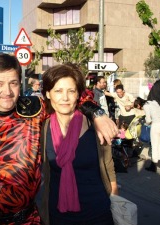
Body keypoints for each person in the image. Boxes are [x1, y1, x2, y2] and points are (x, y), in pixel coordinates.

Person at [0, 53, 118, 225]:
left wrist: (97, 114)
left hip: (29, 219)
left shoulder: (34, 110)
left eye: (13, 83)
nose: (8, 91)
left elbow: (70, 94)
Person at [38, 63, 118, 225]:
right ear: (48, 94)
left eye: (71, 91)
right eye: (58, 91)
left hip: (98, 213)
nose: (65, 98)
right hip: (58, 214)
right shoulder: (41, 128)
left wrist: (116, 202)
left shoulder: (95, 125)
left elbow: (108, 166)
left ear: (78, 94)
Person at [134, 97, 160, 172]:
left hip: (156, 126)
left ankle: (153, 165)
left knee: (154, 145)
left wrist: (144, 122)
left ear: (139, 105)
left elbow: (148, 120)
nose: (140, 109)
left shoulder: (145, 106)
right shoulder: (155, 102)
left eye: (138, 108)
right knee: (158, 143)